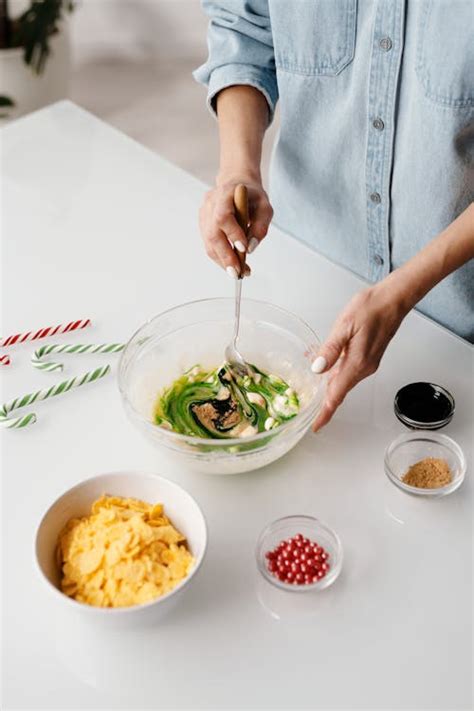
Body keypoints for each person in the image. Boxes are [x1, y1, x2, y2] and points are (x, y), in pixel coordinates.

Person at [194, 1, 474, 431]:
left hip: (457, 326)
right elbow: (246, 32)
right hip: (308, 283)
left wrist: (402, 289)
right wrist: (237, 169)